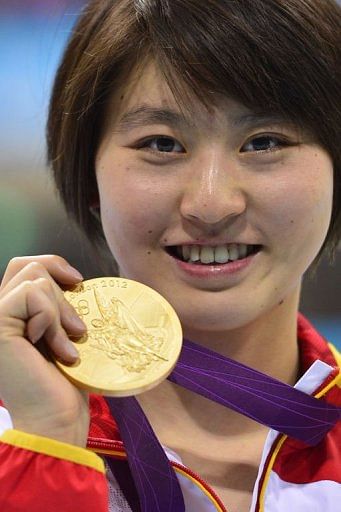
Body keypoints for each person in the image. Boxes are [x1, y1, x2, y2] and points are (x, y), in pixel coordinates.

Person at [0, 0, 340, 510]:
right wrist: (46, 447)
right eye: (161, 144)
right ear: (89, 174)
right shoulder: (17, 428)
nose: (210, 204)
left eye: (264, 142)